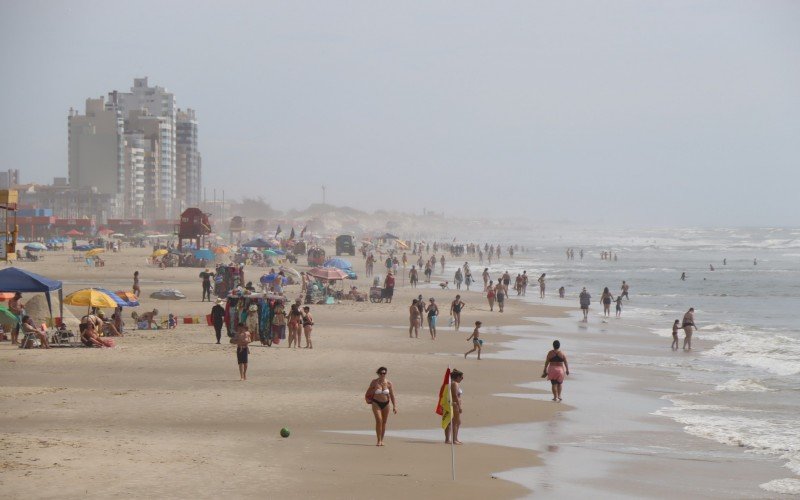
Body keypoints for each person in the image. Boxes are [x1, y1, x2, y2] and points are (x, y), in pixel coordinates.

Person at [365, 367, 397, 446]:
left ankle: (382, 440)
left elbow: (392, 395)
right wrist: (375, 388)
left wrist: (394, 406)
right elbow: (368, 392)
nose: (383, 375)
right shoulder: (374, 382)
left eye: (384, 373)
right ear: (378, 373)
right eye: (381, 373)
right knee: (379, 420)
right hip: (376, 403)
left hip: (386, 403)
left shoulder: (389, 383)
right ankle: (378, 440)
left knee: (384, 422)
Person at [445, 369, 464, 444]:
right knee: (456, 422)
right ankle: (454, 439)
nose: (462, 379)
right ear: (457, 377)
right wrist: (459, 407)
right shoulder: (454, 384)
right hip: (455, 404)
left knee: (454, 422)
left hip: (453, 404)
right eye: (461, 377)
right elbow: (455, 395)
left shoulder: (451, 383)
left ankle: (450, 439)